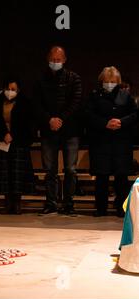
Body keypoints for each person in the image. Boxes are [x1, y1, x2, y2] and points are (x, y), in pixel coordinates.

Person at [34, 46, 82, 216]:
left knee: (70, 169)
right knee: (49, 170)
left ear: (64, 60)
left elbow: (75, 102)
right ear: (48, 59)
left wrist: (60, 119)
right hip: (48, 129)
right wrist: (50, 120)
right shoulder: (40, 79)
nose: (55, 62)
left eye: (58, 60)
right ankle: (51, 203)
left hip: (69, 129)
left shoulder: (73, 78)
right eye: (53, 60)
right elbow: (37, 104)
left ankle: (69, 203)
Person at [86, 66, 137, 217]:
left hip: (121, 142)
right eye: (107, 81)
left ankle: (121, 208)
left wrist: (121, 122)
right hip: (101, 142)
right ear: (102, 81)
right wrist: (105, 123)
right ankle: (100, 208)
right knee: (101, 177)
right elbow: (88, 115)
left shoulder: (124, 95)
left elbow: (135, 114)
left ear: (118, 81)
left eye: (113, 81)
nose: (110, 84)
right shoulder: (95, 96)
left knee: (121, 177)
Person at [0, 78, 36, 214]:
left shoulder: (25, 103)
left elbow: (28, 123)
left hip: (19, 142)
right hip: (2, 141)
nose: (10, 92)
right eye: (8, 89)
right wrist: (3, 133)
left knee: (17, 174)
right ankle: (7, 202)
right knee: (4, 173)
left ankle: (17, 203)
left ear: (18, 90)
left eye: (13, 89)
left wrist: (13, 134)